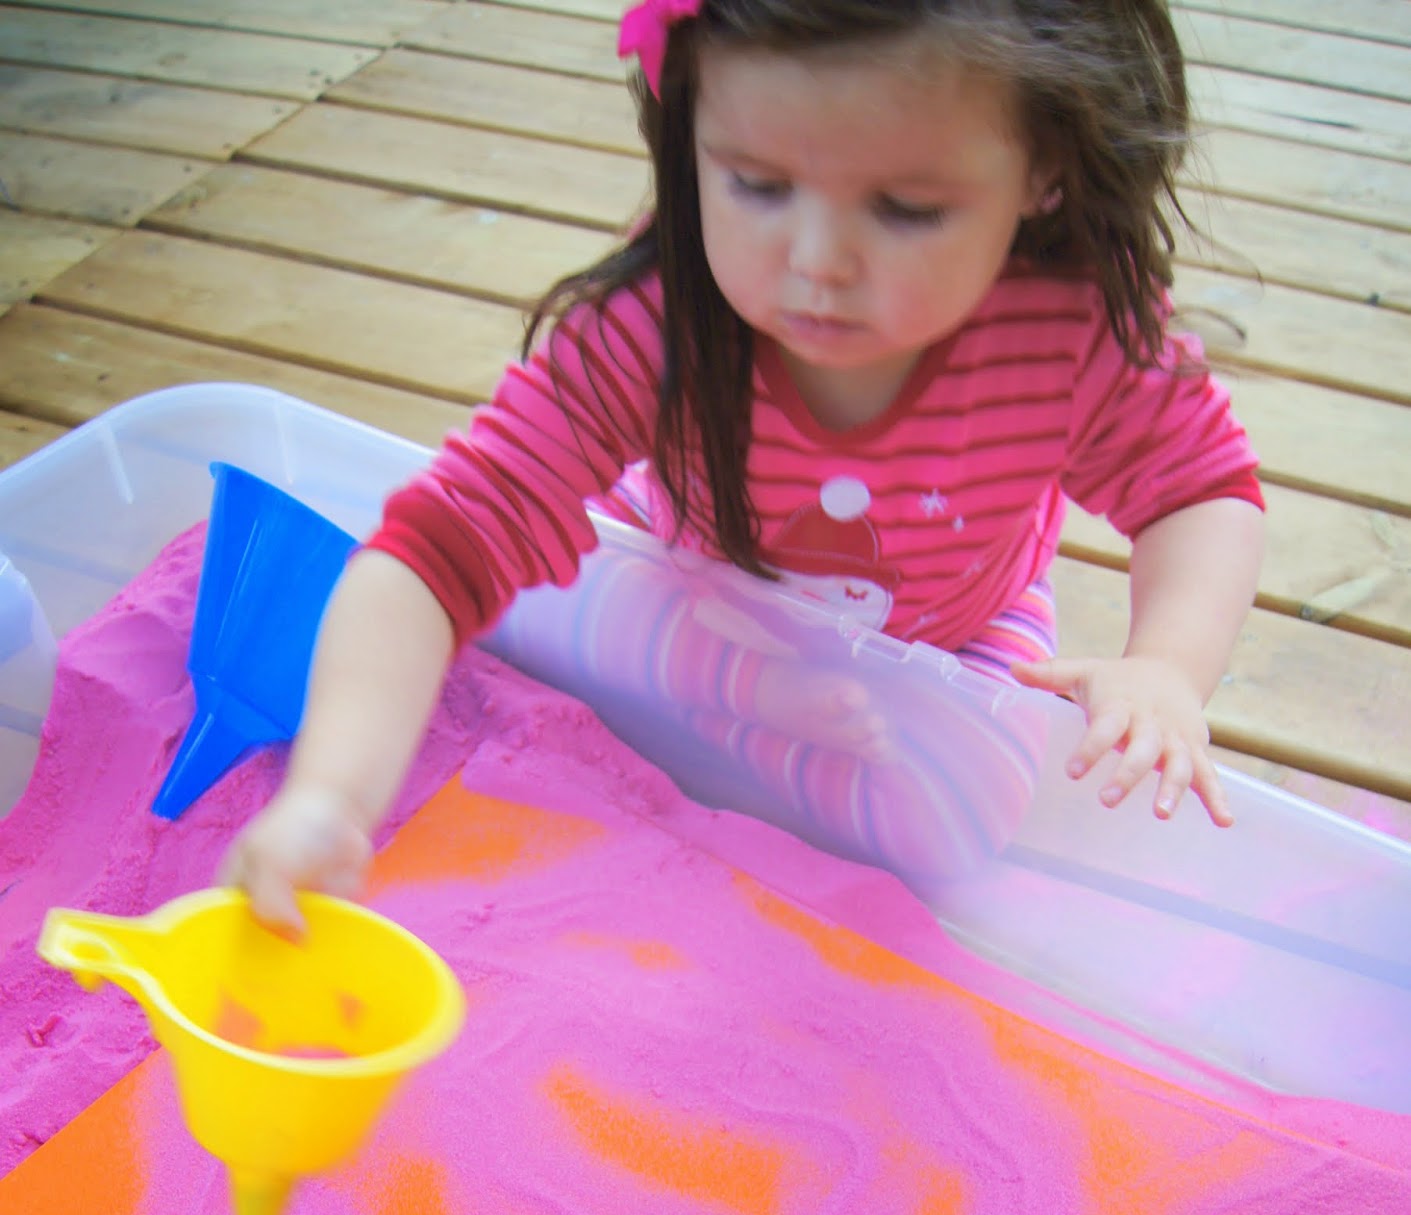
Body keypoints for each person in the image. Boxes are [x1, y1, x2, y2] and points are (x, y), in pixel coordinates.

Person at [224, 0, 1265, 930]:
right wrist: (330, 797)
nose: (816, 261)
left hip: (951, 631)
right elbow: (431, 550)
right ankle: (744, 702)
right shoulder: (663, 319)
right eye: (757, 184)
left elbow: (1199, 491)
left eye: (905, 209)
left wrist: (1165, 665)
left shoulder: (1069, 329)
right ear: (691, 135)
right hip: (683, 578)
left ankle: (727, 717)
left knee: (962, 816)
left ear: (1043, 166)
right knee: (506, 612)